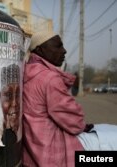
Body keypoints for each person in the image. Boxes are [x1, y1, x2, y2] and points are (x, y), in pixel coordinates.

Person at [22, 30, 117, 167]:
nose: (64, 51)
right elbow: (75, 123)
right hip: (53, 153)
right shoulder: (50, 78)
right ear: (40, 50)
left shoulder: (27, 72)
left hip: (32, 150)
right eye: (58, 46)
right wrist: (83, 125)